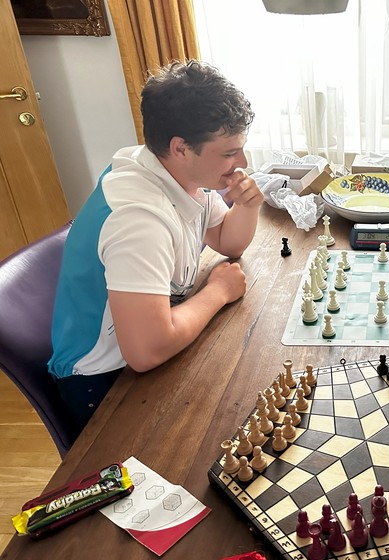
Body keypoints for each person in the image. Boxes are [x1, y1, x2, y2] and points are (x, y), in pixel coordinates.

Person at [48, 60, 265, 438]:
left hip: (147, 344)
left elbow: (227, 241)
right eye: (230, 152)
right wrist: (217, 291)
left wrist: (247, 205)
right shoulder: (139, 219)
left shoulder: (177, 174)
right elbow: (147, 350)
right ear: (180, 147)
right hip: (105, 383)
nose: (242, 163)